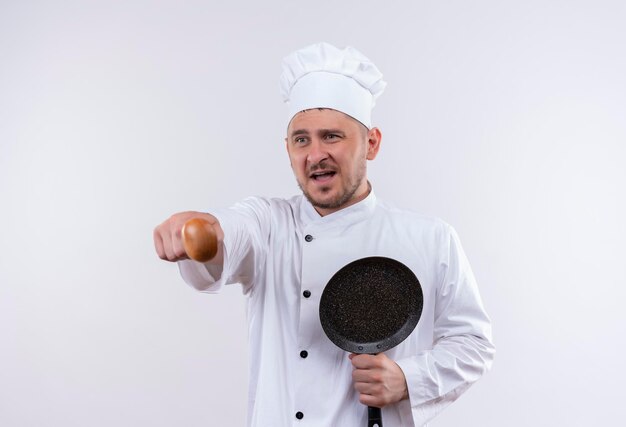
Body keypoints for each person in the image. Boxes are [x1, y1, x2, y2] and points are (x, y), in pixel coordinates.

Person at [153, 42, 495, 427]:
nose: (315, 155)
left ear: (372, 143)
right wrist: (203, 231)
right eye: (302, 139)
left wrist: (407, 379)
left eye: (331, 136)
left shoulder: (430, 238)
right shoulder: (270, 225)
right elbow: (233, 229)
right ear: (287, 148)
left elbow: (472, 344)